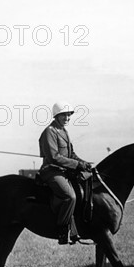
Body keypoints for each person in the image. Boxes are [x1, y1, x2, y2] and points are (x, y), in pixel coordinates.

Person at [38, 101, 93, 245]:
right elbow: (54, 157)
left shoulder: (64, 131)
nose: (67, 118)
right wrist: (77, 165)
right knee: (70, 196)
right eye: (64, 115)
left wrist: (84, 164)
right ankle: (63, 231)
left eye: (69, 116)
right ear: (57, 116)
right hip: (51, 171)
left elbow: (71, 154)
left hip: (64, 171)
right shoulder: (50, 131)